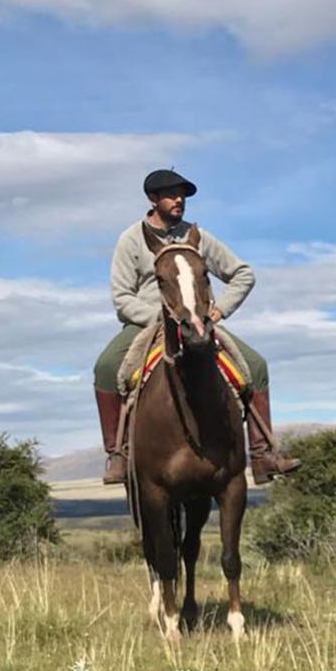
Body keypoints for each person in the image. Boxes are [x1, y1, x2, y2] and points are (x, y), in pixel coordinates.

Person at [92, 168, 301, 484]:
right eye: (171, 194)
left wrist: (219, 311)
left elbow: (242, 273)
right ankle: (117, 455)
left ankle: (262, 455)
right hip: (147, 322)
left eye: (182, 195)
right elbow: (122, 296)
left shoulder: (198, 236)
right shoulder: (131, 239)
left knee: (255, 366)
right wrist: (160, 318)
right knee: (106, 367)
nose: (179, 200)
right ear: (152, 199)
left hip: (197, 320)